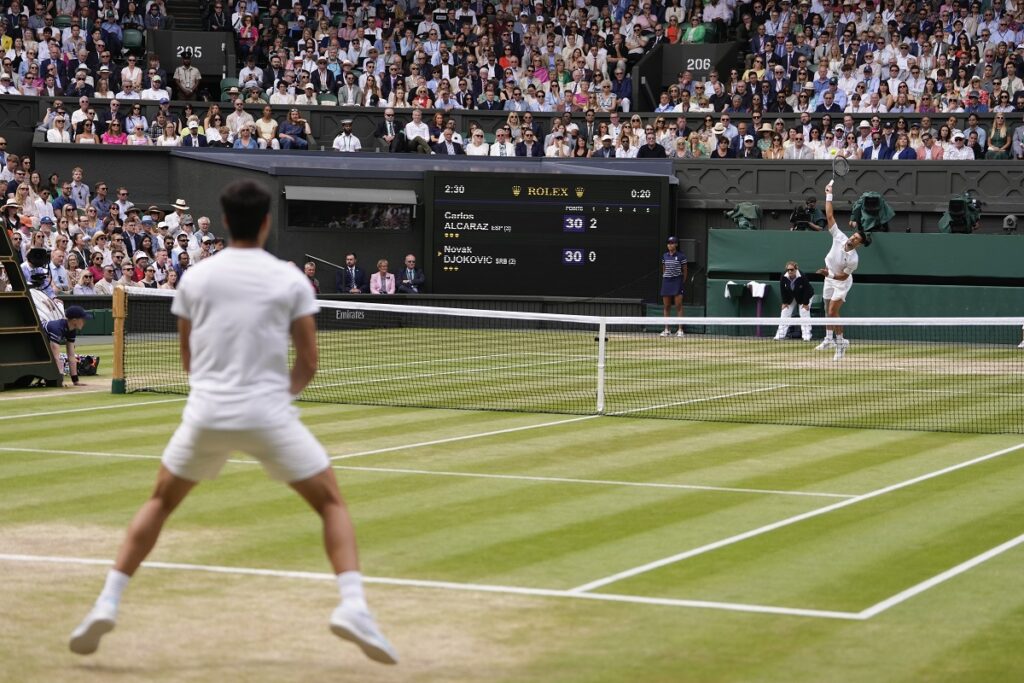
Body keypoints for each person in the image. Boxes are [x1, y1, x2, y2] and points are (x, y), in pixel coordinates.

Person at [68, 179, 398, 665]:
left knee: (159, 502)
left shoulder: (196, 278)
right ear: (266, 223)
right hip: (269, 413)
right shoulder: (289, 278)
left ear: (224, 221)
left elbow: (188, 359)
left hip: (208, 411)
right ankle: (353, 606)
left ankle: (107, 602)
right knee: (332, 504)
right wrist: (272, 400)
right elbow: (308, 363)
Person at [814, 180, 867, 361]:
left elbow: (843, 275)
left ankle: (841, 342)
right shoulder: (839, 236)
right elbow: (829, 216)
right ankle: (828, 339)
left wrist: (828, 274)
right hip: (829, 276)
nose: (852, 238)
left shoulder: (853, 260)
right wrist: (829, 194)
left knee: (832, 311)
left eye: (856, 239)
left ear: (859, 245)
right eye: (853, 235)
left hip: (841, 282)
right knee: (826, 309)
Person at [43, 305, 93, 386]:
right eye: (83, 319)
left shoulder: (72, 330)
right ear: (74, 320)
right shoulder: (56, 329)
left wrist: (75, 381)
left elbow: (71, 356)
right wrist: (59, 380)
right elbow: (55, 357)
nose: (84, 322)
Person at [774, 261, 814, 341]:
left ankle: (806, 336)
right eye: (788, 270)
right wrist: (784, 302)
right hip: (791, 296)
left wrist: (806, 303)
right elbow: (783, 290)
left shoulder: (802, 276)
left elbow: (807, 290)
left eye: (792, 269)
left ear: (796, 269)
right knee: (785, 311)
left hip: (804, 296)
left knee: (804, 312)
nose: (789, 271)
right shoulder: (783, 276)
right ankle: (780, 335)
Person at [659, 236, 687, 337]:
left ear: (676, 244)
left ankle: (680, 330)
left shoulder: (681, 256)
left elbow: (685, 271)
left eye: (672, 243)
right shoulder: (664, 256)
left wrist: (681, 282)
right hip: (666, 282)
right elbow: (664, 269)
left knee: (678, 306)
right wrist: (666, 277)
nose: (670, 244)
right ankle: (666, 330)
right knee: (666, 306)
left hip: (677, 282)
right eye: (668, 243)